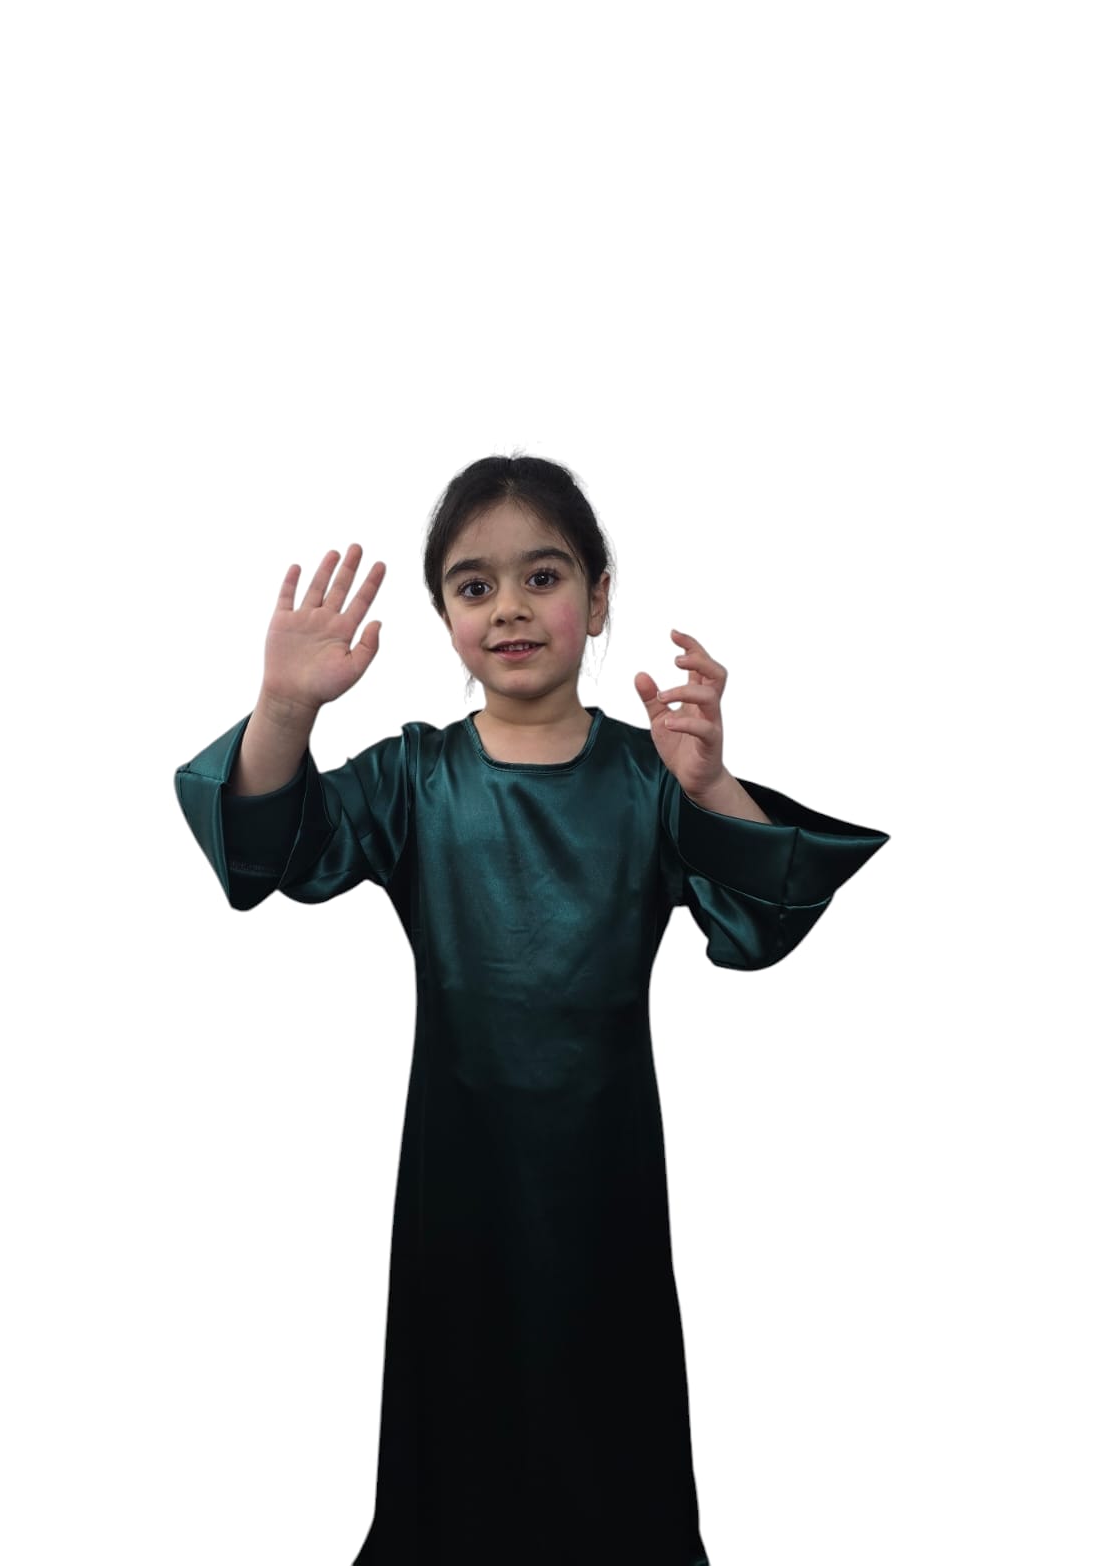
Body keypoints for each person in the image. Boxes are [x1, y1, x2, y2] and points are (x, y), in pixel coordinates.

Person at [174, 454, 889, 1565]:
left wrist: (710, 788)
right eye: (475, 585)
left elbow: (761, 920)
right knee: (457, 1416)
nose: (508, 606)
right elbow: (268, 851)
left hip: (604, 1173)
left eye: (541, 577)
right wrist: (284, 707)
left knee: (611, 1418)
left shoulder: (649, 778)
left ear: (597, 599)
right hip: (458, 1173)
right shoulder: (415, 778)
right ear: (445, 618)